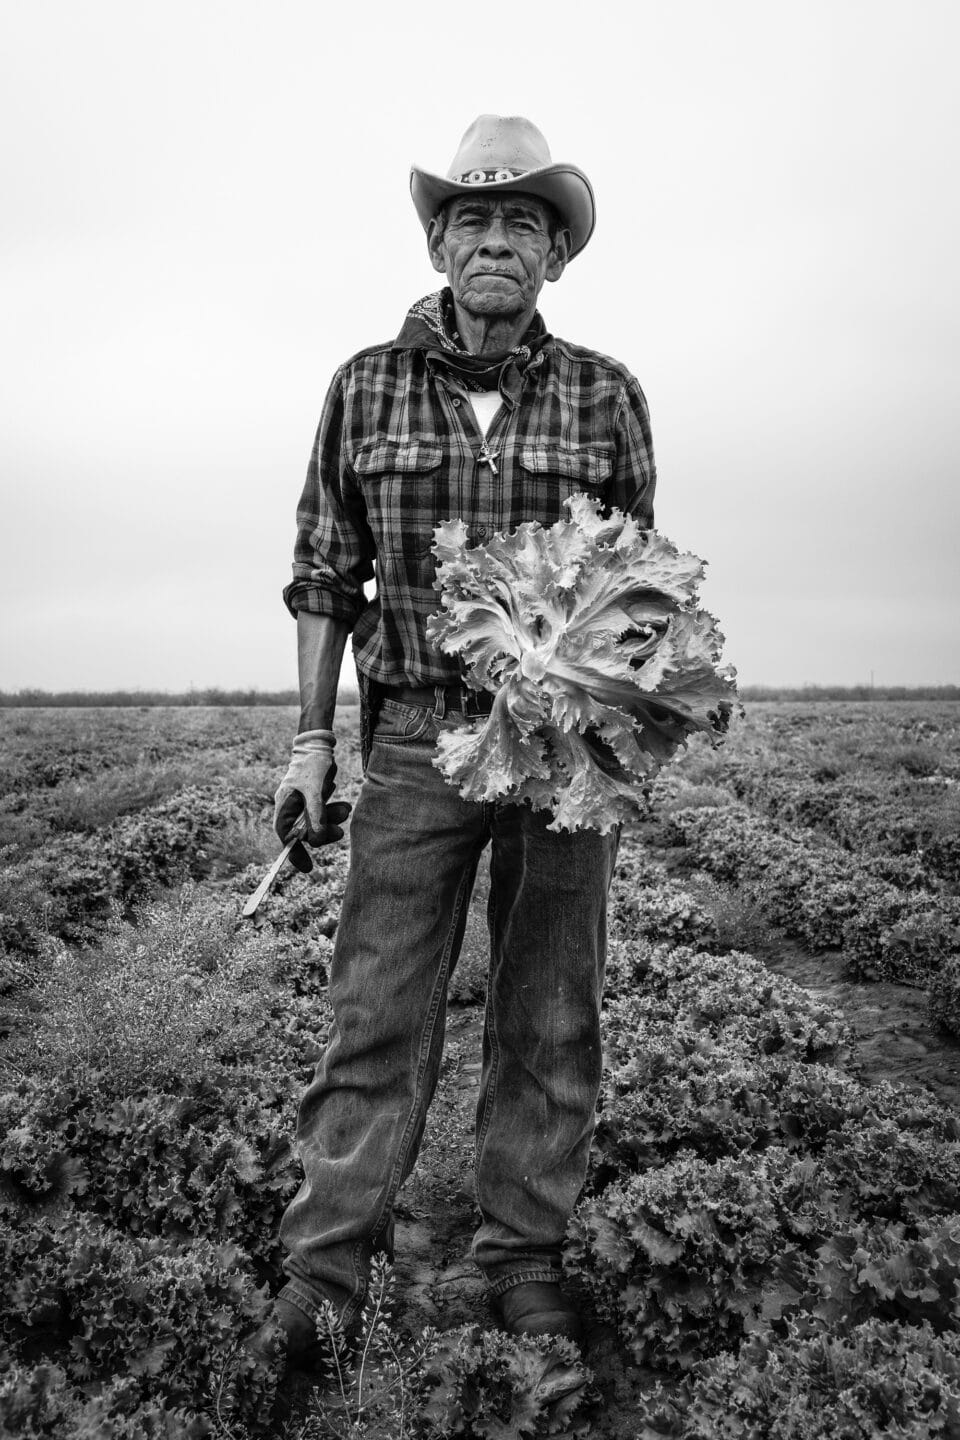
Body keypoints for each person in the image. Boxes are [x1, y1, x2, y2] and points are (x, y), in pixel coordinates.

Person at [265, 115, 656, 1373]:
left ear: (554, 255)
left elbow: (637, 590)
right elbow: (327, 576)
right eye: (474, 219)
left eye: (524, 223)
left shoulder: (607, 394)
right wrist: (312, 742)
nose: (497, 242)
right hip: (416, 745)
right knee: (376, 1013)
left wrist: (606, 701)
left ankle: (522, 1260)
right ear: (439, 240)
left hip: (558, 753)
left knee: (550, 1013)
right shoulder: (363, 386)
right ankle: (327, 1272)